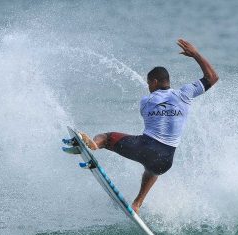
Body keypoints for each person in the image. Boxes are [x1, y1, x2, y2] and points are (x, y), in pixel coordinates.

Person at [79, 39, 218, 213]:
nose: (147, 87)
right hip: (166, 160)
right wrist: (195, 54)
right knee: (152, 170)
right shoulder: (185, 93)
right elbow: (212, 77)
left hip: (147, 146)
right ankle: (137, 203)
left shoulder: (146, 101)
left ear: (153, 82)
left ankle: (95, 144)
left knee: (108, 137)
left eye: (148, 83)